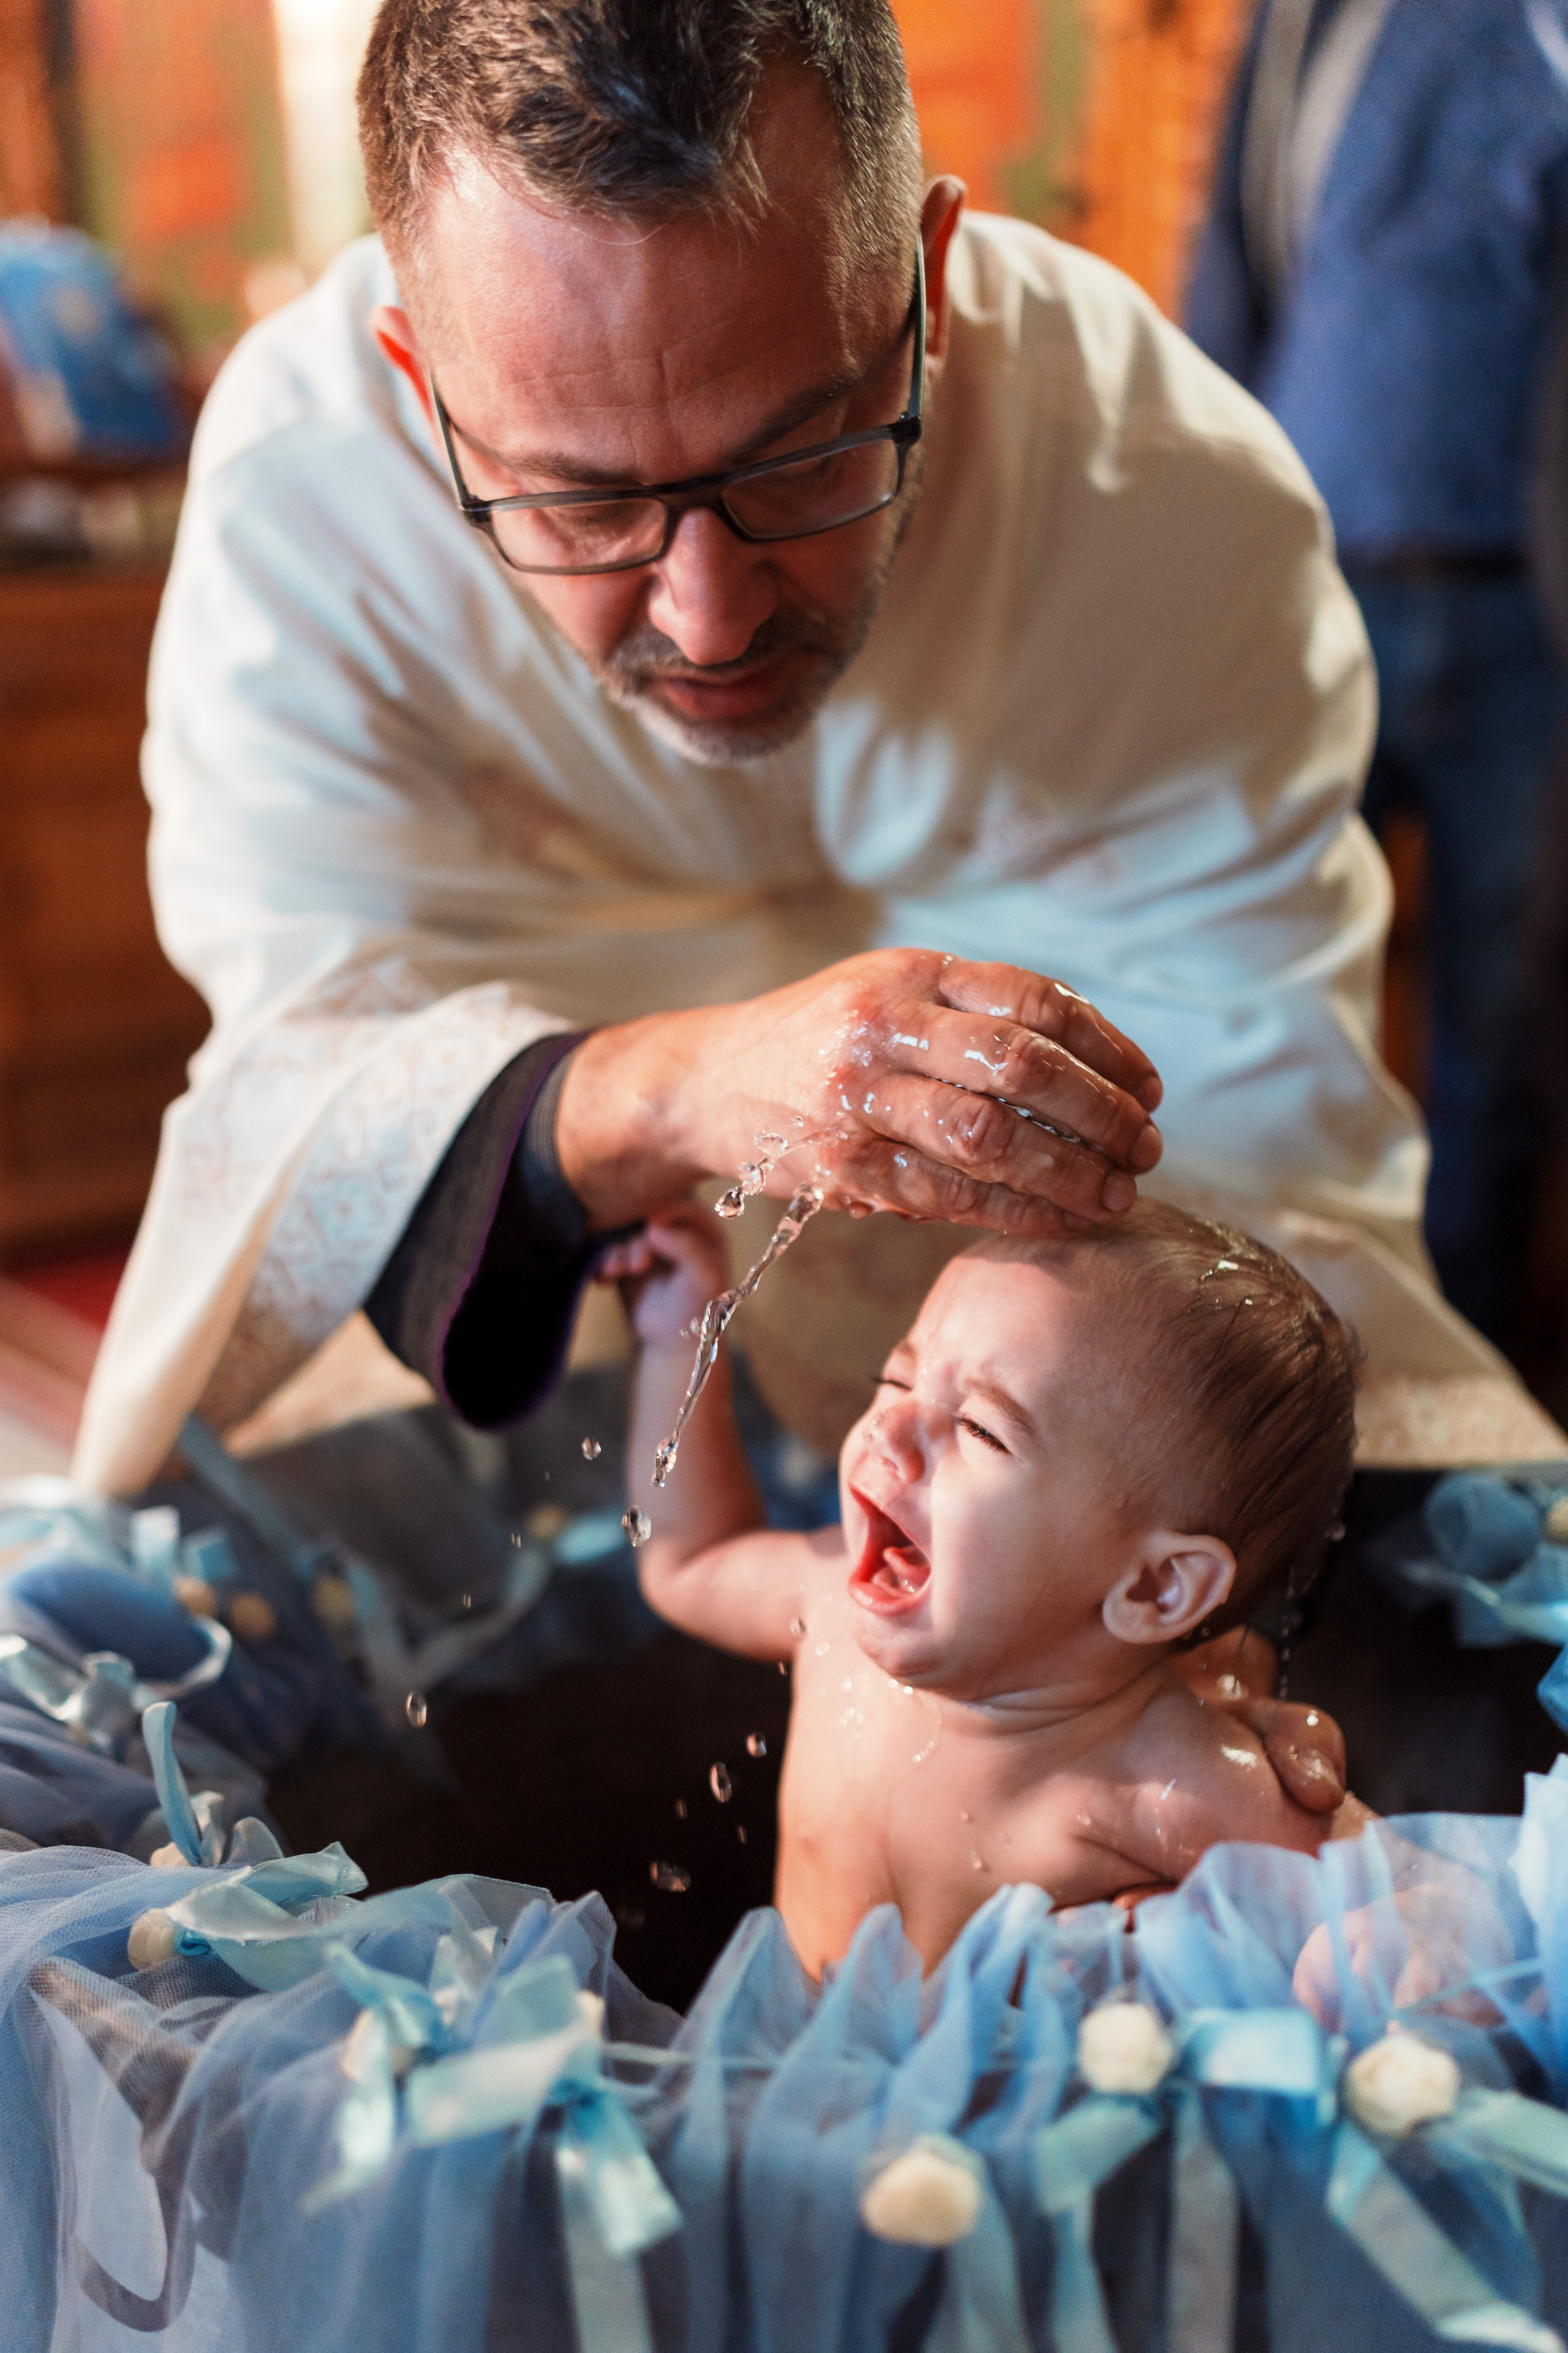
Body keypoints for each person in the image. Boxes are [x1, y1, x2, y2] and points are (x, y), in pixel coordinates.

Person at [74, 0, 1548, 1506]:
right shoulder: (307, 496)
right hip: (537, 1375)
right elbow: (315, 1071)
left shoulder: (1175, 502)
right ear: (415, 377)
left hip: (1048, 1431)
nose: (707, 621)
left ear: (929, 277)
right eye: (580, 507)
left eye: (806, 454)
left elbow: (1256, 1159)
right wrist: (668, 1088)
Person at [608, 1195, 1368, 1973]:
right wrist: (678, 1339)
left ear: (1153, 1588)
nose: (888, 1431)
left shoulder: (1159, 1778)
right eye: (896, 1378)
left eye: (979, 1429)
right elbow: (689, 1559)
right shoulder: (830, 1603)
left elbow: (1394, 1904)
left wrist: (1381, 1948)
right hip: (782, 2080)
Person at [1186, 0, 1568, 1348]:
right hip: (1311, 586)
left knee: (1499, 1032)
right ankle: (1265, 1360)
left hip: (1525, 618)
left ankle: (1463, 1389)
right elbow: (1227, 271)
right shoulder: (1302, 20)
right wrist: (1205, 531)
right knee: (1268, 995)